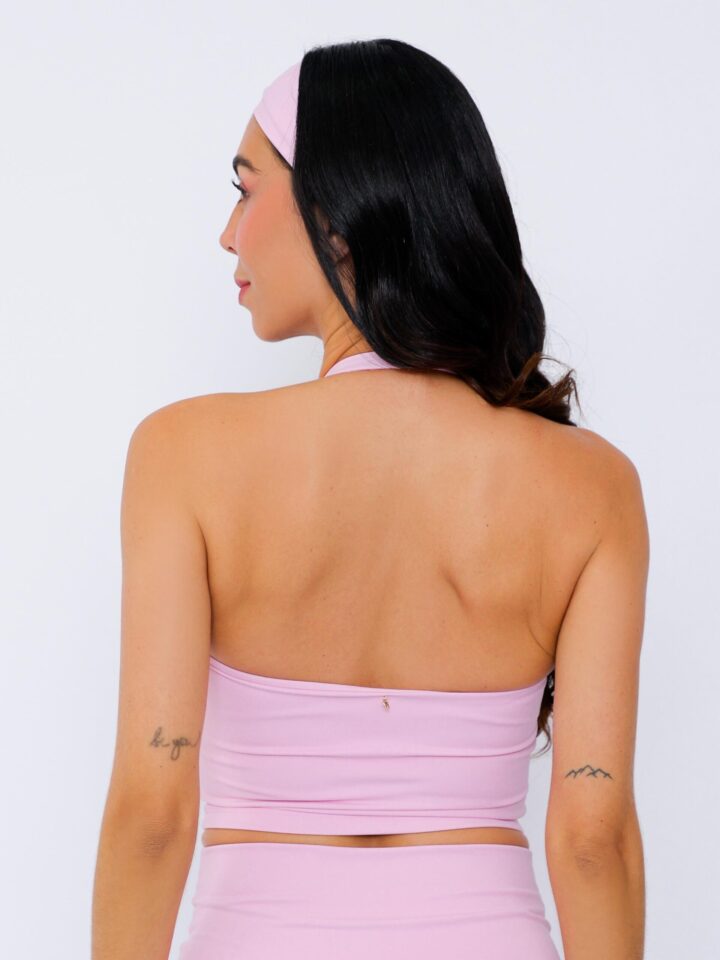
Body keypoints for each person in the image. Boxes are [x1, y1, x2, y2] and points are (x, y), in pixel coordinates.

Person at [91, 38, 648, 960]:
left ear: (335, 213)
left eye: (245, 189)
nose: (228, 233)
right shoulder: (594, 488)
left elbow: (153, 813)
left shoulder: (182, 456)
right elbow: (594, 837)